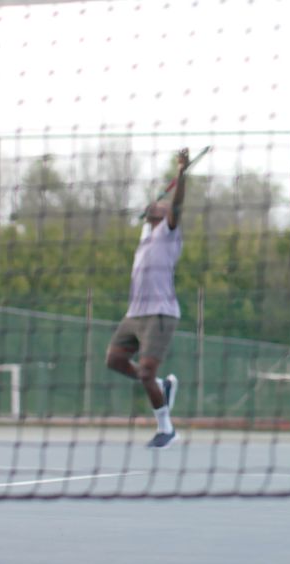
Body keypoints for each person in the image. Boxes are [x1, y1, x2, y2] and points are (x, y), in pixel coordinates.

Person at [106, 148, 190, 449]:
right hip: (134, 314)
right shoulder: (146, 235)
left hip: (160, 314)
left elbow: (177, 202)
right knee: (115, 360)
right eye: (156, 203)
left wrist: (181, 171)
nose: (159, 203)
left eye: (162, 203)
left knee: (144, 372)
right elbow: (148, 211)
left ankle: (166, 429)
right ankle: (162, 387)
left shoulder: (168, 232)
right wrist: (148, 208)